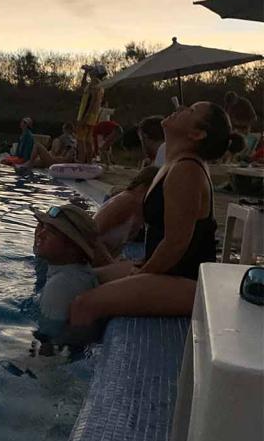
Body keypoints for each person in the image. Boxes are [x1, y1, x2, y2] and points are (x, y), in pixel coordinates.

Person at [69, 101, 232, 330]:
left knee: (83, 305)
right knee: (79, 280)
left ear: (196, 134)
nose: (183, 107)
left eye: (192, 111)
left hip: (188, 282)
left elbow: (176, 243)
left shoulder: (186, 171)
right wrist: (142, 266)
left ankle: (62, 362)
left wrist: (142, 273)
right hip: (168, 271)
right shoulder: (173, 163)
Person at [30, 204, 101, 350]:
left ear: (73, 247)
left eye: (51, 232)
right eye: (42, 226)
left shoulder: (61, 286)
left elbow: (49, 344)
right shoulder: (76, 274)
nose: (40, 234)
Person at [93, 166, 159, 258]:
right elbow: (92, 236)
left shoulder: (140, 207)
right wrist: (109, 262)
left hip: (109, 255)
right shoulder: (127, 202)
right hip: (94, 255)